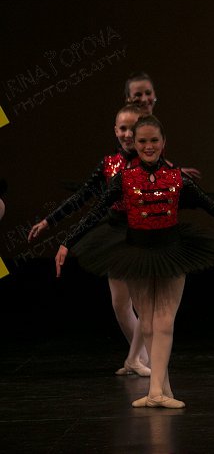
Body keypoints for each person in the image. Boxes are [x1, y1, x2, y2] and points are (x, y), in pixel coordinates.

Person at [55, 116, 214, 408]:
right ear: (135, 144)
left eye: (154, 140)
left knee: (164, 322)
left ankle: (155, 392)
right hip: (137, 254)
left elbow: (210, 205)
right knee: (149, 324)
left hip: (171, 252)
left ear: (164, 142)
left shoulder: (178, 177)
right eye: (142, 141)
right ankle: (162, 389)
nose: (148, 146)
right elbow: (95, 212)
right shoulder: (124, 178)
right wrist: (67, 241)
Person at [28, 105, 150, 376]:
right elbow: (82, 196)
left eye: (133, 128)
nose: (128, 134)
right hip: (114, 237)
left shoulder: (149, 160)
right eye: (123, 128)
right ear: (115, 130)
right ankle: (140, 359)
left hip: (141, 235)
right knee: (120, 304)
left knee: (144, 303)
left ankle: (147, 359)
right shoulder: (109, 163)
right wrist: (49, 221)